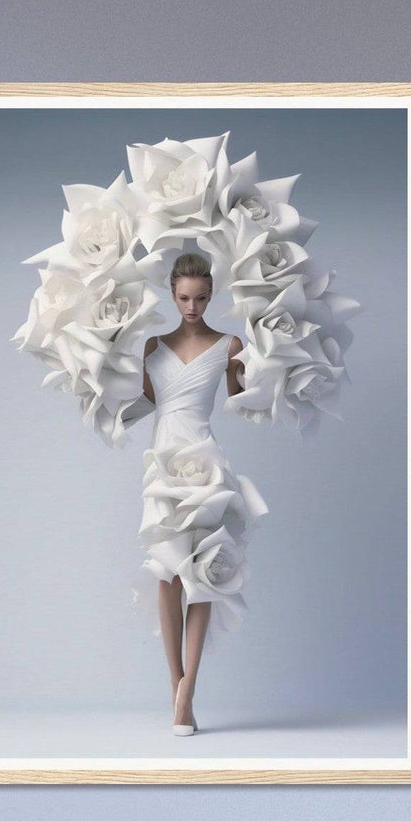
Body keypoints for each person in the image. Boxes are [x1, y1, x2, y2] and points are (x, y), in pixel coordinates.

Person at [138, 252, 268, 736]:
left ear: (212, 294)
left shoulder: (228, 343)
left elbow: (241, 401)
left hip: (206, 464)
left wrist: (265, 365)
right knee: (168, 575)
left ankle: (188, 693)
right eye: (184, 297)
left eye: (202, 297)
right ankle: (178, 690)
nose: (193, 306)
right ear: (172, 294)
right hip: (161, 465)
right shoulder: (152, 345)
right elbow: (143, 403)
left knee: (206, 574)